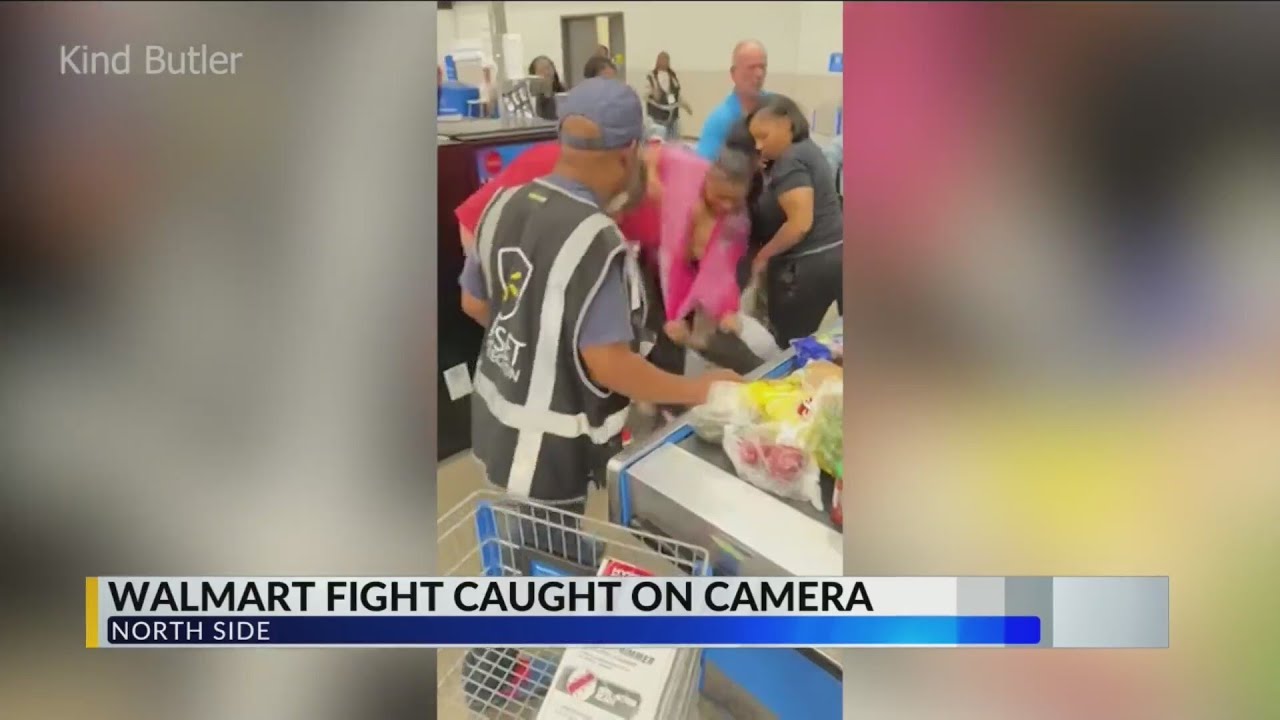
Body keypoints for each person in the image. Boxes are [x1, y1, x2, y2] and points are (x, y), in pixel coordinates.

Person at [459, 77, 739, 511]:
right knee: (548, 556)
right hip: (547, 452)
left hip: (496, 420)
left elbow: (475, 303)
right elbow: (609, 365)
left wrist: (537, 338)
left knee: (516, 542)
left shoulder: (502, 203)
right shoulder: (595, 240)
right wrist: (700, 390)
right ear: (628, 154)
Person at [746, 94, 845, 345]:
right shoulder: (806, 150)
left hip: (806, 268)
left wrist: (763, 256)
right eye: (754, 139)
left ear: (787, 124)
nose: (758, 146)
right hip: (832, 257)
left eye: (763, 136)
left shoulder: (791, 160)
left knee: (791, 345)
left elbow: (799, 223)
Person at [695, 40, 768, 161]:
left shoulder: (777, 110)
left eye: (762, 67)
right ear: (734, 74)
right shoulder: (719, 120)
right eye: (751, 67)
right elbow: (704, 168)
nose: (759, 74)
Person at [647, 51, 690, 142]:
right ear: (657, 61)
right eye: (662, 59)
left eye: (667, 59)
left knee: (674, 144)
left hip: (673, 118)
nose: (664, 62)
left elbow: (677, 94)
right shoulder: (651, 77)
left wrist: (687, 107)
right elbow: (647, 95)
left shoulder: (672, 76)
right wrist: (654, 94)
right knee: (659, 143)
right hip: (657, 118)